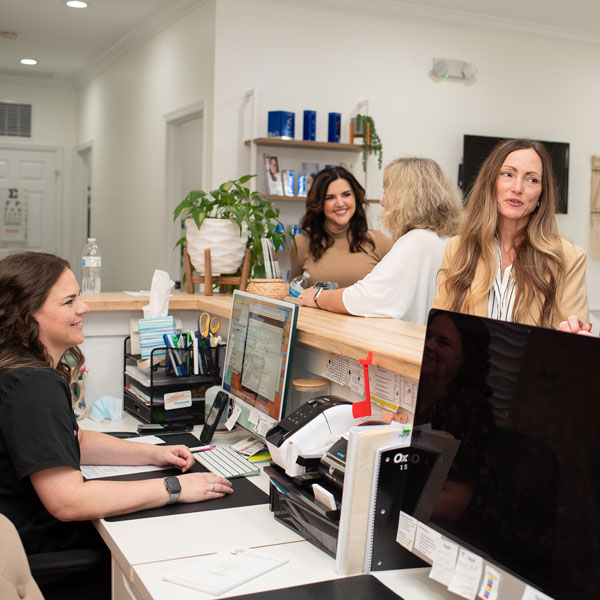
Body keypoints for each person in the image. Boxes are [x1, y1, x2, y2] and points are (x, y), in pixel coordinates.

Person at [0, 252, 232, 594]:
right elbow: (68, 501)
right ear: (24, 317)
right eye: (69, 302)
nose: (83, 308)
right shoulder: (32, 384)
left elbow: (72, 441)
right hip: (40, 551)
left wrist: (154, 455)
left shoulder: (19, 369)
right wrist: (175, 489)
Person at [432, 138, 589, 328]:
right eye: (508, 174)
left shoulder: (569, 258)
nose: (517, 188)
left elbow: (575, 344)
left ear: (542, 193)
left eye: (532, 180)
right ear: (491, 182)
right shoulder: (458, 248)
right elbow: (440, 329)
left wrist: (572, 335)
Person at [298, 158, 462, 324]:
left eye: (387, 193)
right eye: (330, 197)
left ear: (406, 198)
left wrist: (318, 296)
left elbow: (365, 297)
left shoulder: (415, 241)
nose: (382, 202)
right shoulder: (446, 240)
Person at [289, 166, 394, 288]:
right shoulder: (301, 243)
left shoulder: (380, 241)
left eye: (346, 194)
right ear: (319, 203)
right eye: (330, 197)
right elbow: (294, 295)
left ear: (355, 197)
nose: (340, 203)